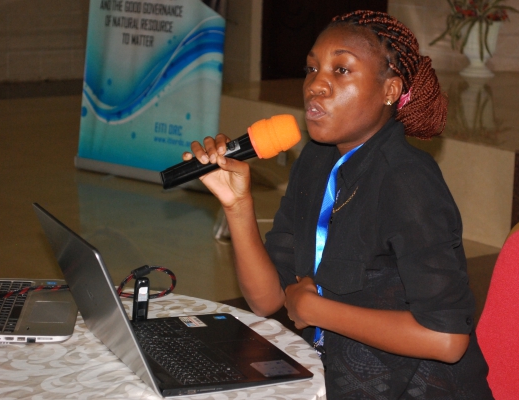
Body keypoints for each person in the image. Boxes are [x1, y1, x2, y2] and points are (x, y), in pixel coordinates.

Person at [183, 10, 493, 399]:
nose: (316, 85)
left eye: (341, 70)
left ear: (390, 90)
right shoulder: (316, 161)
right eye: (311, 69)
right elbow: (266, 299)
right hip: (329, 377)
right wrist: (237, 204)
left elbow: (447, 340)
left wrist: (317, 310)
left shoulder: (408, 180)